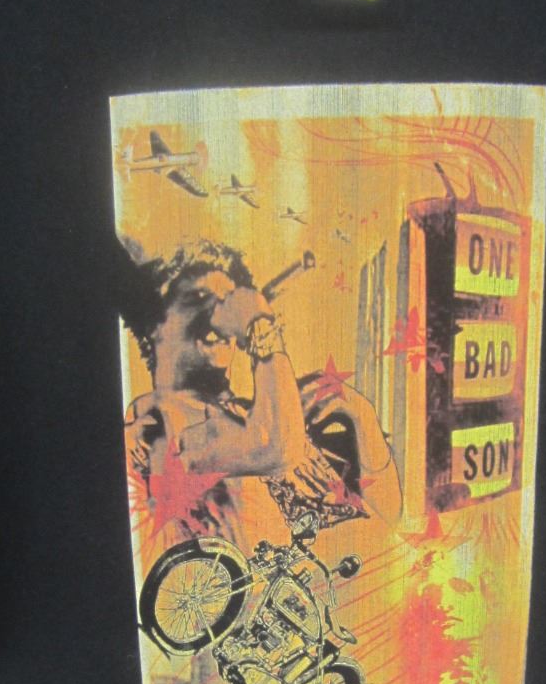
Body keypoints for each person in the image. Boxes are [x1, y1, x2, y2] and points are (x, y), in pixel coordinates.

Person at [121, 238, 401, 558]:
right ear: (154, 327)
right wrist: (258, 324)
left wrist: (361, 416)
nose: (221, 311)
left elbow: (388, 521)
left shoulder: (256, 413)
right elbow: (275, 449)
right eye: (198, 298)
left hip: (370, 579)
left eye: (228, 300)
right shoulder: (158, 416)